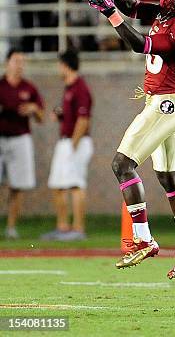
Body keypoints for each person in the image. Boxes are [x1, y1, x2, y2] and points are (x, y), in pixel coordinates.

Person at [83, 0, 175, 278]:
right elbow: (135, 7)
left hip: (166, 103)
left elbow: (139, 43)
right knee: (169, 177)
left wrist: (108, 12)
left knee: (122, 165)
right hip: (173, 102)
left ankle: (143, 238)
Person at [43, 50, 93, 241]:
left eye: (59, 65)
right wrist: (61, 115)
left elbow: (83, 119)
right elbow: (72, 114)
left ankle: (78, 229)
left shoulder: (80, 87)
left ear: (65, 65)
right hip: (65, 141)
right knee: (57, 185)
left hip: (76, 142)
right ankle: (63, 227)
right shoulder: (69, 87)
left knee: (75, 184)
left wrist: (74, 144)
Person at [0, 49, 44, 239]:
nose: (20, 65)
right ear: (7, 62)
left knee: (18, 186)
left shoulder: (29, 88)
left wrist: (34, 109)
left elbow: (42, 117)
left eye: (22, 61)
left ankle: (11, 227)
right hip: (1, 137)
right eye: (16, 61)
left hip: (20, 138)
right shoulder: (1, 86)